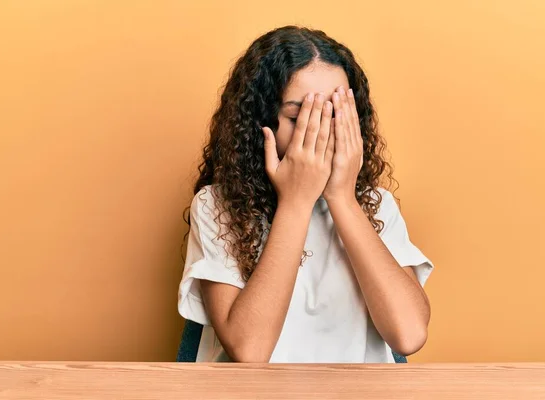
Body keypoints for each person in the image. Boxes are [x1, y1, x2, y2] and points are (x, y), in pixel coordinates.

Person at [177, 25, 434, 363]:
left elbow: (409, 334)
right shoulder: (217, 206)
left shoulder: (376, 205)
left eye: (335, 115)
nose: (320, 133)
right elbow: (249, 351)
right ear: (260, 123)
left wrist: (342, 197)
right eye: (301, 117)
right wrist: (296, 202)